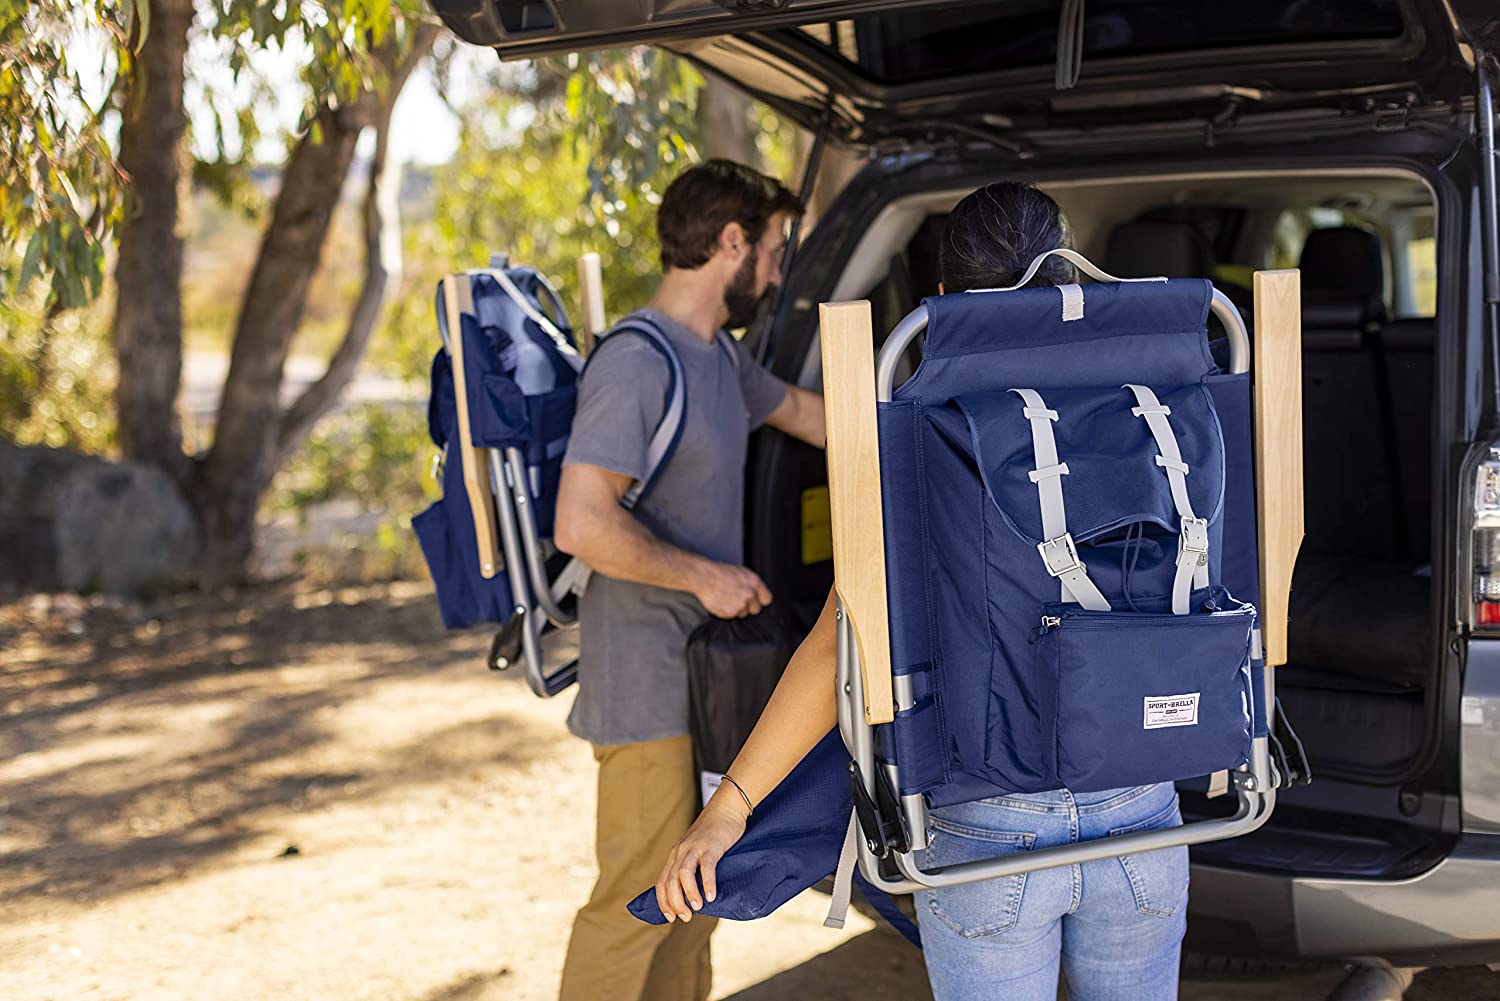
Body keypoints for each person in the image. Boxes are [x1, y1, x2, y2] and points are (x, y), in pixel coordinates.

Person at [654, 182, 1190, 1001]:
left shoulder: (918, 428)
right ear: (1074, 280)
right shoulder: (1160, 406)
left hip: (990, 819)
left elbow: (849, 633)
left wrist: (731, 803)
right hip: (1144, 797)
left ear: (943, 302)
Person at [552, 159, 828, 1001]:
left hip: (705, 676)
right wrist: (705, 576)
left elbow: (815, 418)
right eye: (775, 249)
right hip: (644, 679)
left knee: (691, 893)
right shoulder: (638, 361)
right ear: (732, 242)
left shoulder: (721, 361)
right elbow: (583, 522)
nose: (778, 272)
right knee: (631, 900)